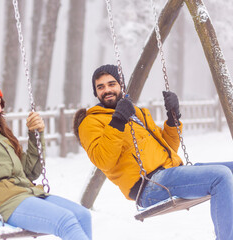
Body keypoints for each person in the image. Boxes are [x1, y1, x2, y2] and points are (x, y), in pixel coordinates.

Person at [74, 64, 233, 240]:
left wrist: (173, 118)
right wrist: (118, 121)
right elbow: (103, 160)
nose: (107, 90)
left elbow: (169, 148)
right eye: (100, 87)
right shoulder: (90, 122)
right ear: (95, 93)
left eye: (112, 84)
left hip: (170, 173)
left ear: (121, 86)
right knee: (221, 176)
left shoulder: (138, 113)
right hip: (149, 186)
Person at [0, 73, 92, 240]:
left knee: (83, 215)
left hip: (24, 193)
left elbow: (29, 173)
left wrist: (36, 134)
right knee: (65, 221)